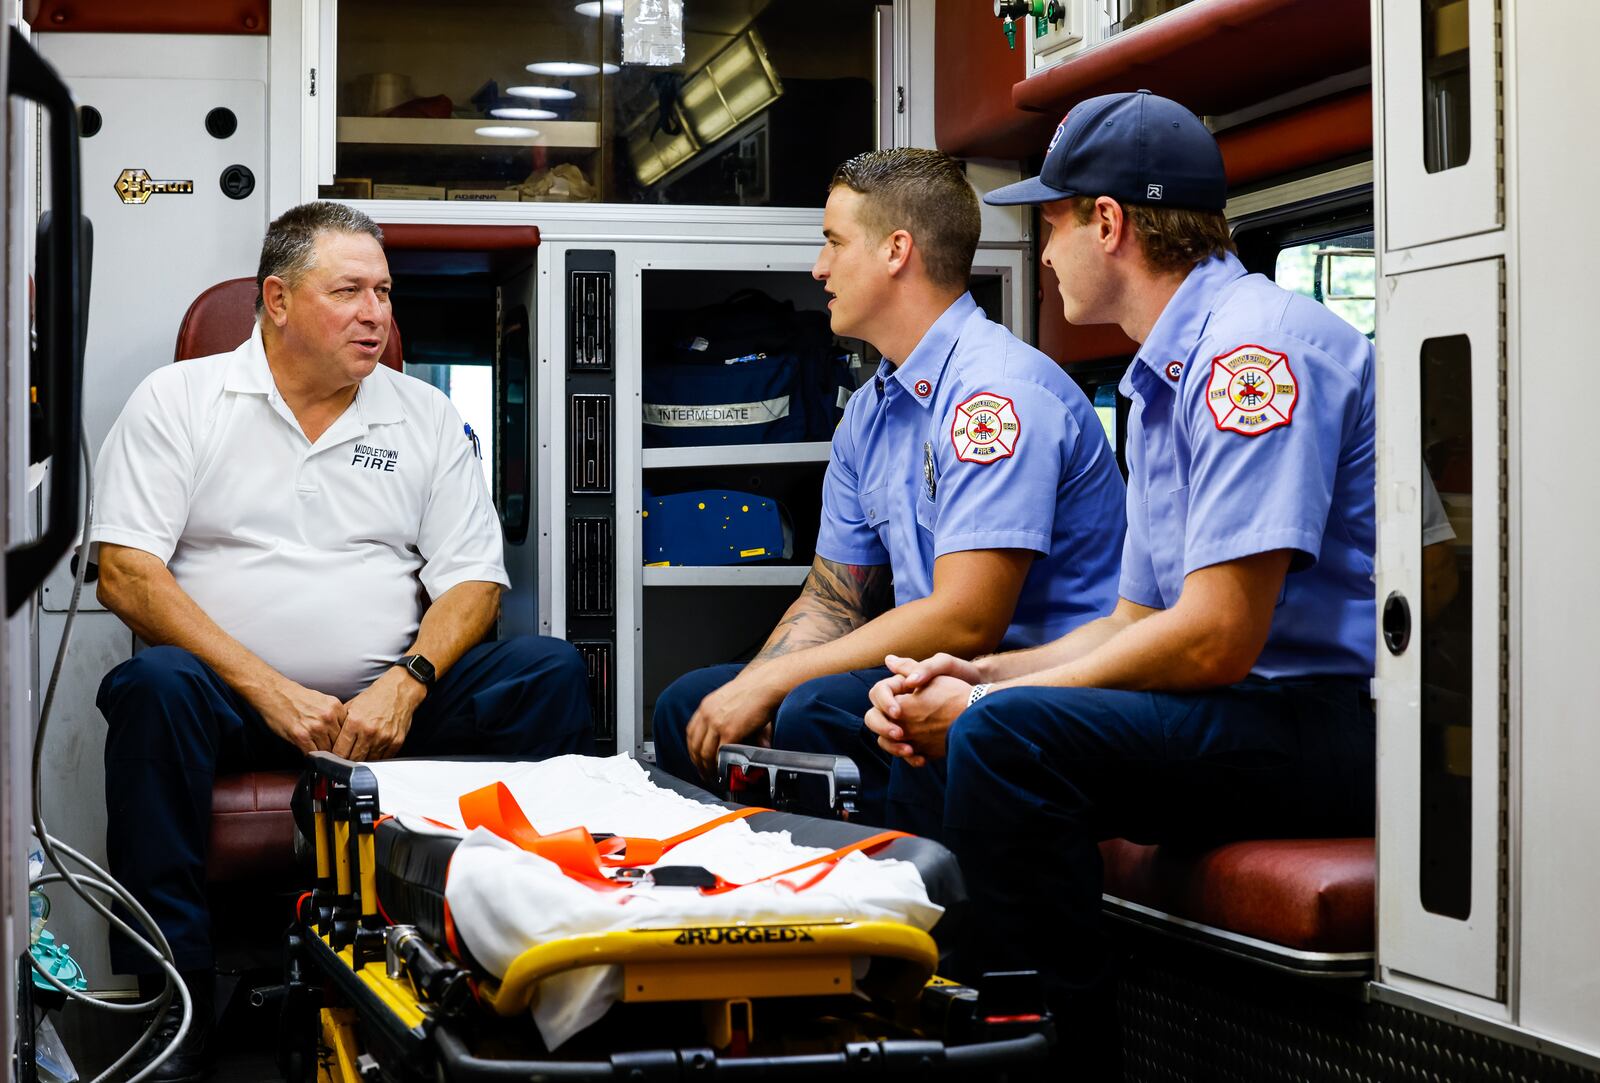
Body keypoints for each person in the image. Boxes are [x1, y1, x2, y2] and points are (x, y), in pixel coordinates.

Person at [864, 91, 1378, 1071]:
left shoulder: (1249, 354)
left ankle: (1055, 1058)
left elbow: (1215, 636)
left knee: (1006, 743)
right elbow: (1135, 620)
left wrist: (987, 709)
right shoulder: (1158, 383)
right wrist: (973, 680)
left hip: (1331, 721)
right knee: (946, 724)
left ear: (1108, 223)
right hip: (1254, 714)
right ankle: (949, 1024)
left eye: (1051, 224)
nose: (1045, 254)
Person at [91, 201, 593, 1081]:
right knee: (152, 688)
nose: (377, 314)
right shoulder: (181, 400)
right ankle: (177, 995)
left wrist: (405, 682)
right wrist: (267, 687)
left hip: (389, 708)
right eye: (350, 291)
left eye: (386, 293)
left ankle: (507, 960)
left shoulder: (424, 417)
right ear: (277, 300)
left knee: (544, 671)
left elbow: (474, 585)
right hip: (231, 703)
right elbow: (128, 574)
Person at [652, 148, 1126, 832]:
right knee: (690, 705)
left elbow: (967, 619)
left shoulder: (995, 394)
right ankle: (761, 915)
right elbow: (832, 597)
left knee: (811, 707)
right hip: (923, 670)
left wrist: (774, 685)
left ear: (896, 250)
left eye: (834, 243)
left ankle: (892, 920)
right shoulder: (870, 412)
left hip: (1035, 686)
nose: (819, 268)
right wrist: (746, 691)